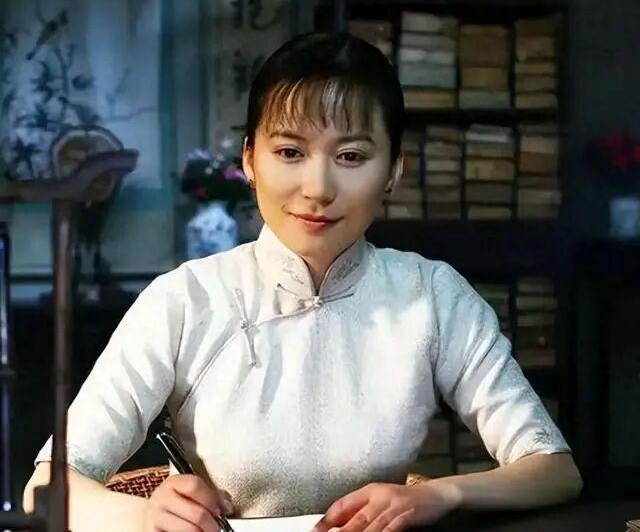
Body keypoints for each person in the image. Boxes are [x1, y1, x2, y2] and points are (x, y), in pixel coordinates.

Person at [24, 33, 582, 532]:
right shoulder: (185, 299)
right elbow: (46, 489)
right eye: (289, 152)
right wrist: (145, 519)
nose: (317, 187)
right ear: (250, 160)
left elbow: (553, 469)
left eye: (351, 155)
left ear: (394, 168)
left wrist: (441, 494)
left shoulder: (432, 296)